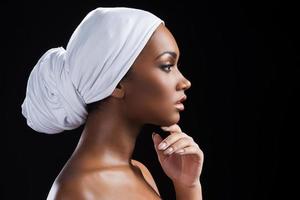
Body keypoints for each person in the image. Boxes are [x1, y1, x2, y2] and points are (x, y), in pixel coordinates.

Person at [21, 7, 204, 200]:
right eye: (167, 66)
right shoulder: (78, 191)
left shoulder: (140, 173)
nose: (185, 82)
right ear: (116, 83)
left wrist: (188, 187)